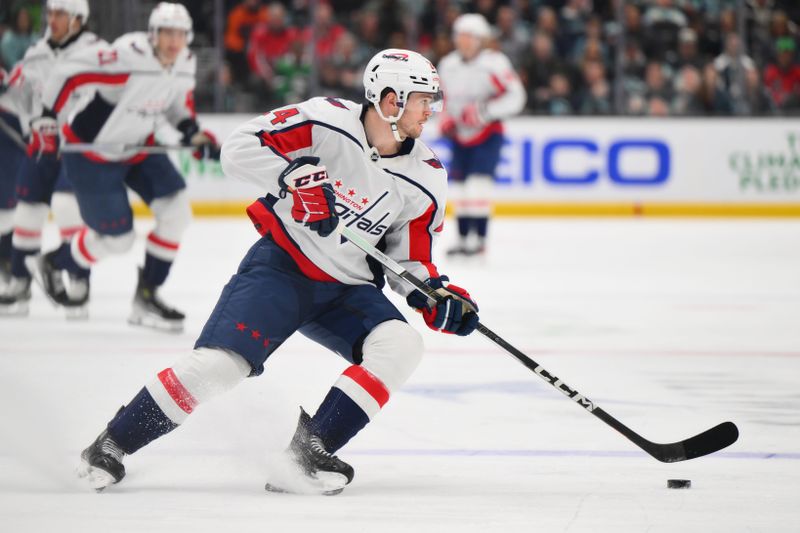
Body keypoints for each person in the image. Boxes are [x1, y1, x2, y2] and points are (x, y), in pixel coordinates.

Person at [76, 48, 480, 495]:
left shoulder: (426, 176)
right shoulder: (324, 120)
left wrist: (433, 294)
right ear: (390, 100)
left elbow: (409, 261)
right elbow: (238, 149)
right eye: (423, 99)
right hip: (281, 269)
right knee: (219, 367)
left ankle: (308, 452)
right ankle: (112, 443)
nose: (432, 110)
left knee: (402, 343)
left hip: (347, 292)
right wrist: (292, 178)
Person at [29, 2, 220, 330]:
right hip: (92, 156)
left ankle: (147, 296)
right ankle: (54, 261)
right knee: (119, 240)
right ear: (153, 34)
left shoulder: (185, 62)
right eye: (167, 33)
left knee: (176, 212)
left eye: (180, 34)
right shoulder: (127, 56)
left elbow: (177, 103)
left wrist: (192, 132)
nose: (174, 41)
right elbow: (68, 73)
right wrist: (47, 118)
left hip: (138, 147)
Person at [0, 0, 101, 317]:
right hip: (41, 146)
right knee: (27, 214)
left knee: (67, 207)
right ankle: (19, 284)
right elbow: (17, 94)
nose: (52, 19)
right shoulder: (37, 53)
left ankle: (78, 282)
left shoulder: (97, 54)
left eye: (60, 14)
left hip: (76, 148)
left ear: (78, 19)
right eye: (51, 13)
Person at [437, 13, 525, 256]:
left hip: (487, 133)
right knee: (461, 188)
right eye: (461, 36)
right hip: (459, 135)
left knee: (479, 185)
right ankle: (465, 240)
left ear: (480, 40)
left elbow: (516, 96)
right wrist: (444, 120)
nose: (464, 42)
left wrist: (483, 112)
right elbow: (442, 99)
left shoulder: (494, 64)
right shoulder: (448, 65)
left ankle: (480, 241)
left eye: (470, 37)